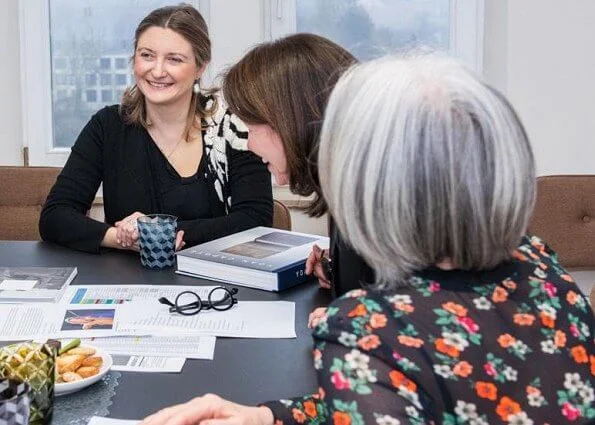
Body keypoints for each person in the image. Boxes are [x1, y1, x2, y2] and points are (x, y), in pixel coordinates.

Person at [140, 55, 595, 424]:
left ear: (365, 183)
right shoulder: (541, 262)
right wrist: (268, 417)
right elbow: (423, 397)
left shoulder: (370, 332)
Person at [39, 4, 272, 253]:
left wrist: (159, 232)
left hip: (216, 281)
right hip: (130, 281)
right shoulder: (107, 126)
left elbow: (256, 219)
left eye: (174, 59)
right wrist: (122, 238)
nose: (157, 71)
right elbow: (54, 217)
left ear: (200, 67)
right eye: (147, 55)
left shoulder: (232, 127)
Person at [222, 34, 374, 321]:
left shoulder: (374, 201)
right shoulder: (352, 186)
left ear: (292, 120)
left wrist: (352, 320)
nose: (250, 145)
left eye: (253, 128)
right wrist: (337, 267)